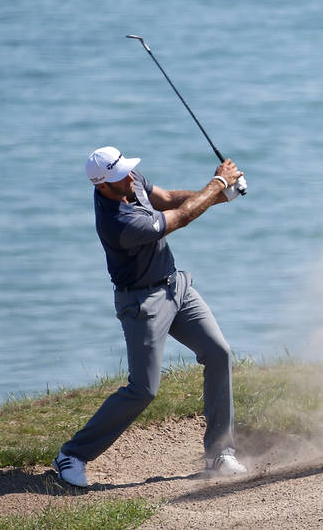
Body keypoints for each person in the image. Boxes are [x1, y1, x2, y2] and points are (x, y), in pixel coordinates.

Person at [52, 146, 247, 488]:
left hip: (176, 286)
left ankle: (219, 453)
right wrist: (218, 183)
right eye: (119, 177)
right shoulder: (119, 223)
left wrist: (222, 195)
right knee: (143, 390)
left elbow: (170, 198)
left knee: (219, 354)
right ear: (101, 187)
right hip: (143, 304)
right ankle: (73, 454)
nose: (128, 177)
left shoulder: (129, 180)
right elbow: (181, 218)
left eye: (126, 171)